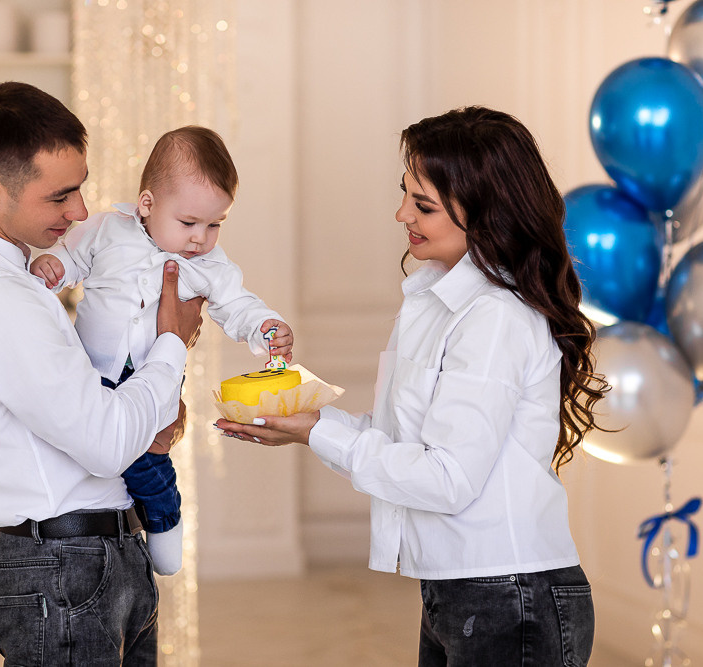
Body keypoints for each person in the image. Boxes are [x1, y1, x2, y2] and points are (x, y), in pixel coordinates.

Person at [216, 106, 609, 666]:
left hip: (510, 593)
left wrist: (319, 437)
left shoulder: (495, 317)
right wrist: (308, 426)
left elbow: (447, 479)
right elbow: (402, 442)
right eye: (407, 194)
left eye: (422, 204)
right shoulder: (430, 300)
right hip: (463, 590)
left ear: (486, 213)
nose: (401, 213)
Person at [0, 81, 204, 665]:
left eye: (81, 190)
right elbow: (105, 443)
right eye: (60, 197)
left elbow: (100, 422)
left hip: (91, 561)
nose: (80, 212)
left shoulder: (13, 276)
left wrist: (142, 414)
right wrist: (171, 343)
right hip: (66, 574)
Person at [30, 125, 294, 576]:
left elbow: (238, 304)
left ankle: (165, 521)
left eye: (215, 224)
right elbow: (72, 260)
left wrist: (266, 326)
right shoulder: (106, 230)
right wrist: (55, 266)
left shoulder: (210, 265)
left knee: (147, 461)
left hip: (154, 378)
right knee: (80, 448)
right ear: (147, 205)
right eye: (189, 222)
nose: (200, 237)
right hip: (89, 370)